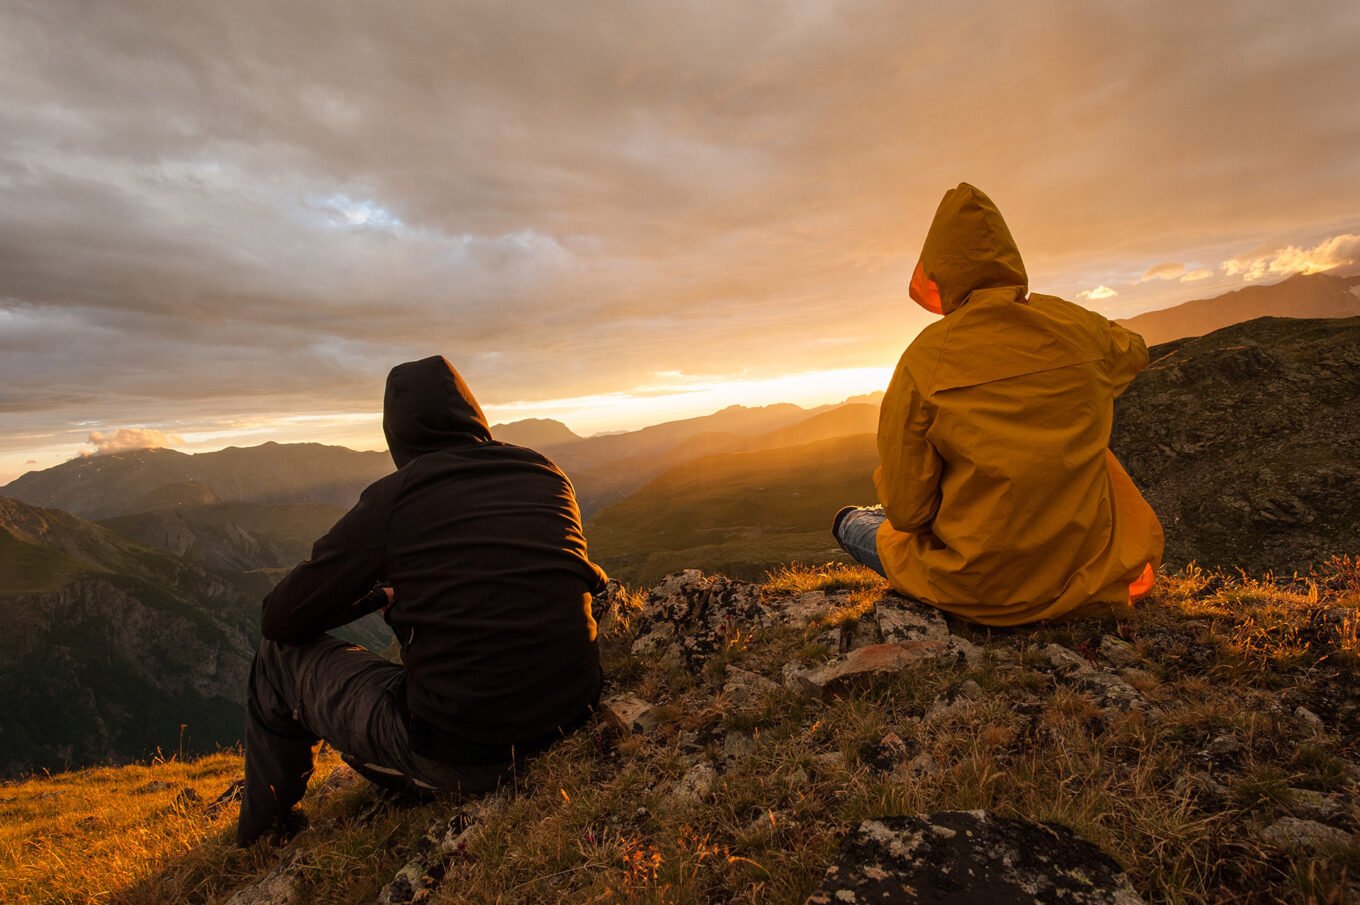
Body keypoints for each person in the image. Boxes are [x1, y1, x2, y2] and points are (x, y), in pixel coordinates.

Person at [236, 355, 608, 846]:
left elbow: (280, 619)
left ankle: (263, 835)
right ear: (473, 414)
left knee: (275, 659)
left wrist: (371, 599)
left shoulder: (395, 498)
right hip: (572, 715)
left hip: (465, 756)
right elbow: (581, 576)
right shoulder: (545, 472)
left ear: (397, 435)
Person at [833, 183, 1164, 627]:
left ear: (937, 272)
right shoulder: (1077, 328)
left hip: (980, 589)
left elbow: (909, 512)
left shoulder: (923, 360)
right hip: (1085, 573)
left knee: (854, 521)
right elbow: (1135, 350)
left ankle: (857, 521)